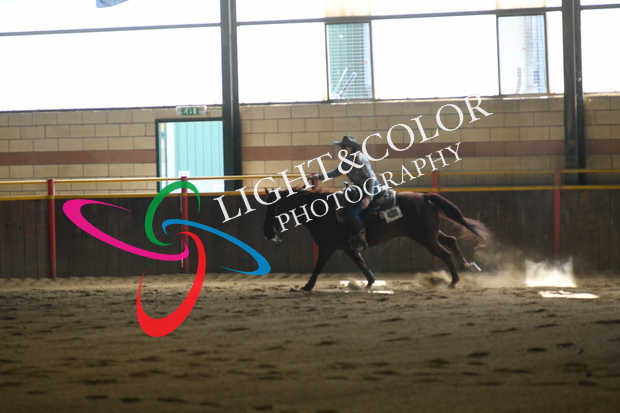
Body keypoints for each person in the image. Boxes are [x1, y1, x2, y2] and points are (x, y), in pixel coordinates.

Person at [315, 135, 383, 252]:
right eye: (342, 147)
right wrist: (319, 176)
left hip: (371, 188)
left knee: (352, 212)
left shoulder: (360, 159)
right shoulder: (348, 160)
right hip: (361, 189)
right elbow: (336, 172)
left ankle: (361, 237)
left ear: (351, 147)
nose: (342, 149)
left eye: (344, 147)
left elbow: (370, 179)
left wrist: (368, 197)